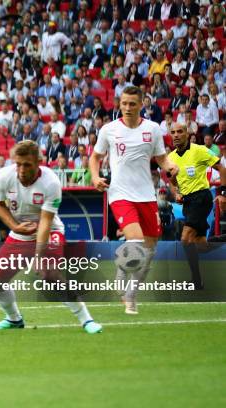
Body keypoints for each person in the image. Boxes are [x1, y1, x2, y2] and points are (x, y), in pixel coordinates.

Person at [0, 141, 102, 334]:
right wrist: (15, 227)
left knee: (50, 275)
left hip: (49, 230)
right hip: (21, 231)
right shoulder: (3, 176)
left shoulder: (51, 182)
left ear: (39, 163)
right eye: (18, 164)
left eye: (27, 165)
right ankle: (14, 320)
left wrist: (39, 257)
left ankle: (86, 319)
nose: (22, 169)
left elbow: (46, 221)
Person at [89, 86, 179, 315]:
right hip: (120, 194)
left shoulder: (152, 129)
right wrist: (95, 176)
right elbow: (95, 157)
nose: (127, 108)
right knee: (136, 241)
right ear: (119, 104)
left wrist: (170, 166)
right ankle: (120, 271)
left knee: (149, 254)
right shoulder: (109, 130)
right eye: (124, 103)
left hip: (146, 195)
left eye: (132, 104)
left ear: (141, 104)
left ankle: (131, 295)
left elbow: (161, 158)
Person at [168, 123, 226, 289]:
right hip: (187, 202)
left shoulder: (199, 150)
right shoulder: (170, 157)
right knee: (201, 246)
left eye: (180, 131)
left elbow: (221, 168)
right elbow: (171, 180)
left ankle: (195, 281)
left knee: (185, 239)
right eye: (173, 132)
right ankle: (224, 237)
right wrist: (176, 193)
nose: (176, 135)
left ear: (187, 133)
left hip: (201, 198)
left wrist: (222, 194)